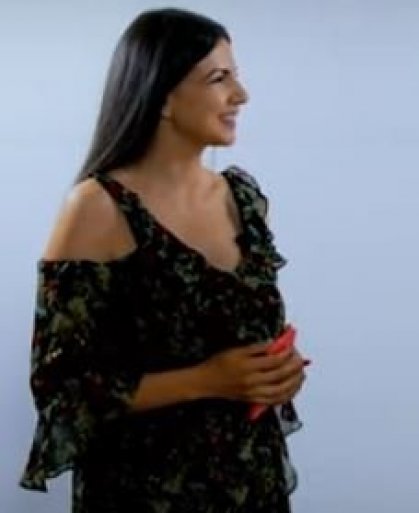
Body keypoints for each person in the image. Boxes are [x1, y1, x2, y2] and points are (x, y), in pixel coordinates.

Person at [20, 8, 308, 512]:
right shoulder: (98, 207)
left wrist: (275, 374)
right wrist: (207, 379)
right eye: (219, 79)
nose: (240, 95)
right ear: (164, 97)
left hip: (250, 484)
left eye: (235, 76)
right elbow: (61, 390)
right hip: (145, 491)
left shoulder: (241, 198)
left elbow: (247, 342)